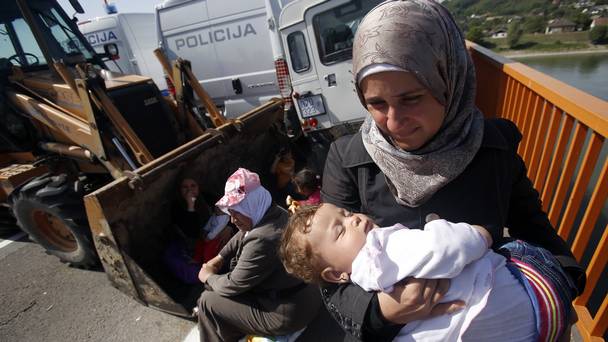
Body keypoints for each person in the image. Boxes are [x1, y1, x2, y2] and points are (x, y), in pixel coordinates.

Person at [319, 0, 586, 340]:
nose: (394, 122)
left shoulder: (493, 148)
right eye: (376, 104)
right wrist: (381, 311)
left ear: (449, 80)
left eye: (411, 98)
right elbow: (325, 273)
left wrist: (564, 282)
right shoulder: (347, 159)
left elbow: (533, 226)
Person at [280, 203, 575, 341]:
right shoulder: (382, 249)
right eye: (340, 230)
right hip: (536, 296)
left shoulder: (368, 286)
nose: (354, 220)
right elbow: (448, 245)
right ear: (335, 276)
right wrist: (480, 235)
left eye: (347, 214)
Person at [196, 168, 321, 342]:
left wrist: (208, 276)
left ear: (251, 205)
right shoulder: (273, 212)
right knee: (217, 289)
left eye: (236, 211)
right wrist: (220, 257)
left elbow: (233, 284)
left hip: (288, 313)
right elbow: (243, 234)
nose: (232, 220)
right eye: (230, 213)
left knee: (208, 301)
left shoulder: (263, 239)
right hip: (307, 297)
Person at [163, 176, 233, 284]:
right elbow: (191, 232)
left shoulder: (207, 197)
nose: (189, 189)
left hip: (216, 234)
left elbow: (229, 210)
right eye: (185, 187)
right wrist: (190, 207)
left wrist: (229, 227)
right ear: (180, 190)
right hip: (198, 239)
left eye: (193, 186)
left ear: (198, 187)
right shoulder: (177, 206)